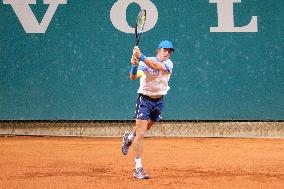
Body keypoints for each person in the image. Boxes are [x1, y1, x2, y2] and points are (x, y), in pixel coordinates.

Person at [121, 40, 174, 179]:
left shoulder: (168, 63)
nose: (167, 53)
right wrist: (134, 66)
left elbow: (156, 65)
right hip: (144, 100)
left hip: (159, 101)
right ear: (158, 50)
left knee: (145, 129)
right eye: (165, 50)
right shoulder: (146, 62)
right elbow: (133, 77)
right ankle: (138, 168)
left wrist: (140, 56)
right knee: (141, 133)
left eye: (169, 51)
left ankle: (129, 137)